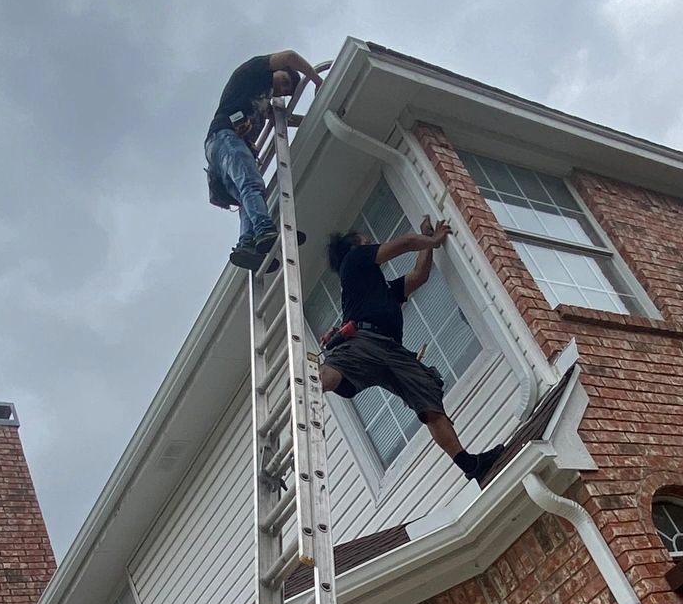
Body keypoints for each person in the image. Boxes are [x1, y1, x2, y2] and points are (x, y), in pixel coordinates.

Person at [320, 219, 507, 483]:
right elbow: (405, 243)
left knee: (428, 398)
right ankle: (309, 387)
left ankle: (469, 464)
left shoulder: (378, 288)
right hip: (366, 339)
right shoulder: (355, 259)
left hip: (392, 352)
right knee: (339, 366)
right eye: (367, 241)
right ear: (357, 246)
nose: (373, 244)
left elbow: (419, 275)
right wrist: (433, 240)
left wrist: (426, 241)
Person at [205, 48, 323, 271]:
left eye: (287, 91)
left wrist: (317, 114)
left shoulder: (264, 102)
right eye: (286, 82)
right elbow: (290, 56)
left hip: (221, 148)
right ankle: (265, 230)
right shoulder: (253, 72)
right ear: (278, 70)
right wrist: (317, 81)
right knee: (252, 184)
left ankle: (246, 245)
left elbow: (284, 121)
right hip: (224, 137)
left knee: (245, 197)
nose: (283, 90)